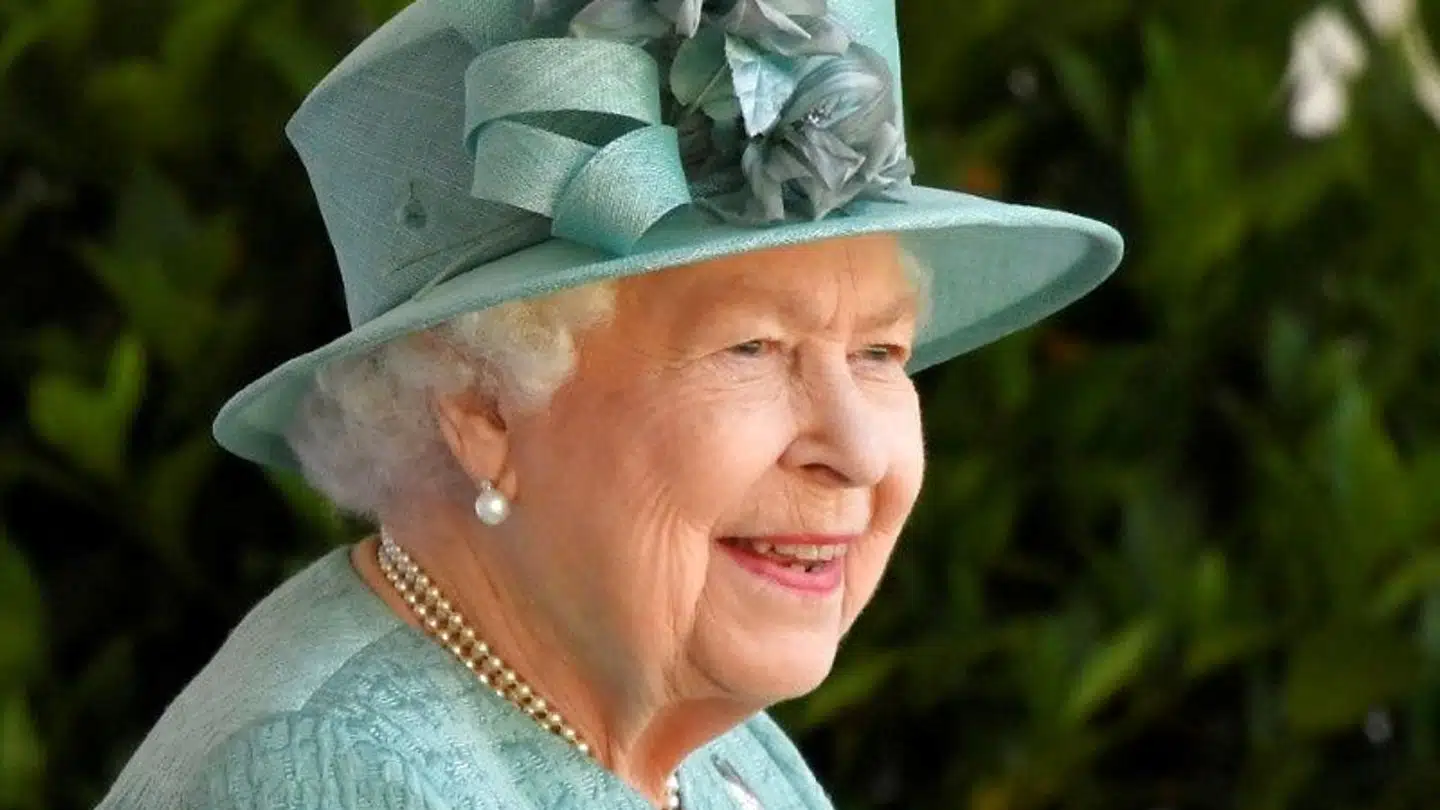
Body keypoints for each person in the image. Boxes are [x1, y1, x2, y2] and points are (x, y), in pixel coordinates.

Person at [96, 0, 1122, 807]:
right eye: (753, 347)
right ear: (483, 406)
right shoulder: (329, 777)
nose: (856, 450)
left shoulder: (698, 740)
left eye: (880, 352)